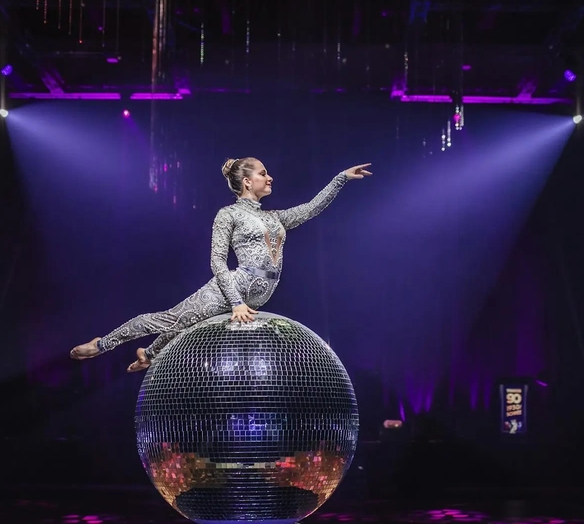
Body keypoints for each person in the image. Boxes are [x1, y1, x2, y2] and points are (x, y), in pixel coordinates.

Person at [70, 157, 373, 372]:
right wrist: (237, 302)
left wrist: (341, 178)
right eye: (263, 173)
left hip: (259, 293)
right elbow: (217, 260)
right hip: (233, 288)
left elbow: (310, 209)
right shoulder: (228, 214)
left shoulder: (274, 217)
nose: (270, 178)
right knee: (170, 320)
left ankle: (148, 354)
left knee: (184, 324)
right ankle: (103, 344)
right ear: (246, 181)